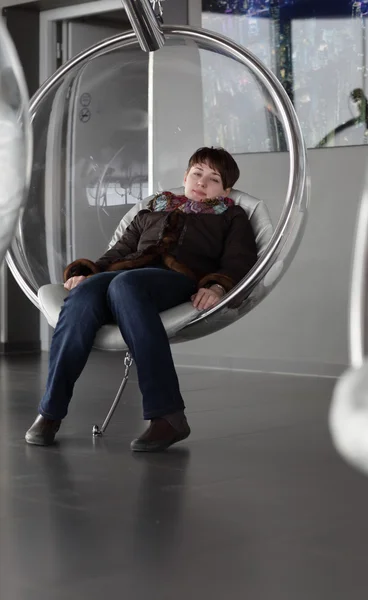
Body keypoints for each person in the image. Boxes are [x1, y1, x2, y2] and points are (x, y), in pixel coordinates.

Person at [25, 146, 258, 451]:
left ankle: (167, 415)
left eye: (213, 179)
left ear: (226, 189)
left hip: (177, 280)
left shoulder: (231, 215)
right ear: (185, 176)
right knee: (86, 293)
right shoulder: (154, 208)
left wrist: (216, 287)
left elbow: (239, 260)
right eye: (197, 174)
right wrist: (87, 273)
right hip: (127, 275)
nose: (202, 182)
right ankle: (50, 412)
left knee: (126, 285)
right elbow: (119, 251)